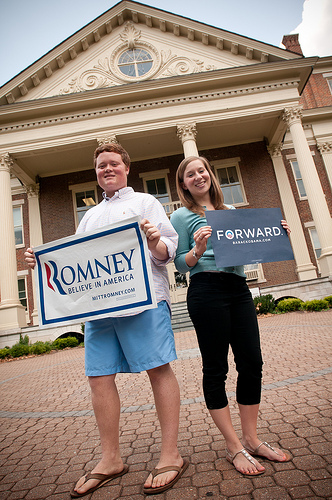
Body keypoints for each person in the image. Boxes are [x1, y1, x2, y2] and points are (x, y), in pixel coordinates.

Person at [25, 143, 188, 497]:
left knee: (158, 368)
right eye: (101, 166)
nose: (107, 169)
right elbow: (76, 262)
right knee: (98, 378)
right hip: (99, 310)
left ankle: (171, 452)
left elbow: (167, 254)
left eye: (113, 163)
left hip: (144, 302)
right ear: (96, 173)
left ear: (126, 168)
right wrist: (43, 262)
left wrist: (156, 240)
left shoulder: (145, 202)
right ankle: (111, 458)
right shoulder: (89, 217)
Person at [170, 155, 292, 477]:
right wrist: (197, 249)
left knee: (252, 363)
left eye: (202, 171)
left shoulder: (232, 213)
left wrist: (276, 237)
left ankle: (251, 439)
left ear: (210, 175)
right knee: (216, 368)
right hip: (206, 290)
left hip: (238, 289)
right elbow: (181, 264)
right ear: (184, 183)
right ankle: (233, 445)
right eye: (190, 174)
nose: (198, 177)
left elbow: (252, 250)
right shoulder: (181, 216)